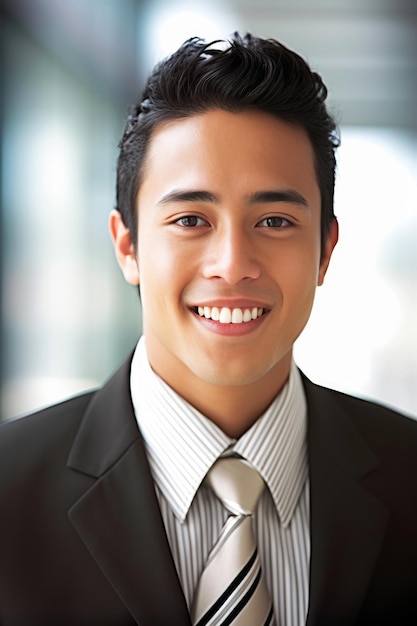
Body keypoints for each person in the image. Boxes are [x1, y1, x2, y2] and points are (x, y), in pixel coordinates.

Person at [0, 32, 416, 626]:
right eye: (191, 219)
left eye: (274, 220)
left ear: (325, 251)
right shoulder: (8, 493)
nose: (232, 263)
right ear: (128, 246)